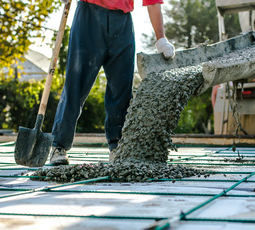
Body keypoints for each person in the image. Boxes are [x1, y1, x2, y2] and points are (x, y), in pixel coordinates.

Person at [49, 0, 175, 165]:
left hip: (121, 22)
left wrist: (161, 38)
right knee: (75, 85)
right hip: (88, 17)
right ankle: (59, 146)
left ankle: (118, 147)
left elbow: (152, 1)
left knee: (121, 87)